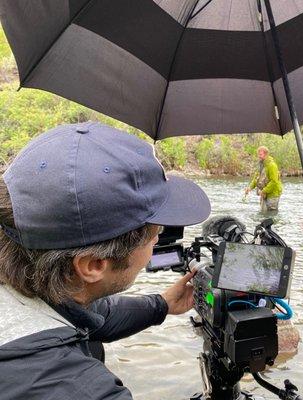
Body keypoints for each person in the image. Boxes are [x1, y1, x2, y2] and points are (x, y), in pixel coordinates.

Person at [0, 122, 211, 399]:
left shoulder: (28, 274)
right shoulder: (71, 386)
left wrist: (162, 305)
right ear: (93, 266)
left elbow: (94, 313)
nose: (158, 240)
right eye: (155, 233)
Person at [245, 146, 282, 212]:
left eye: (260, 154)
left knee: (271, 214)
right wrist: (249, 188)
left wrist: (264, 191)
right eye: (258, 154)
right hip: (264, 193)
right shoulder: (261, 165)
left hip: (273, 194)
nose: (259, 156)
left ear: (266, 154)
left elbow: (274, 181)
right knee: (263, 212)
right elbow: (256, 179)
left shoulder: (272, 165)